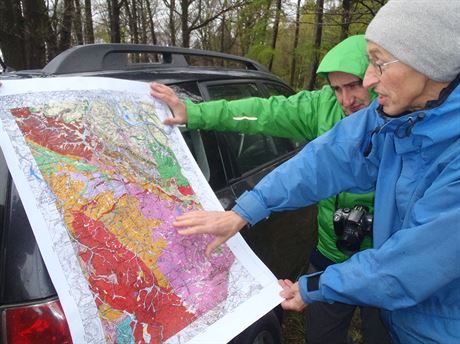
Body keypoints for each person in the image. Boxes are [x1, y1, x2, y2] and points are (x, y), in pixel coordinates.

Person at [167, 0, 460, 343]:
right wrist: (245, 211)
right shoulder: (396, 117)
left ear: (429, 62)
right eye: (367, 65)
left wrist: (313, 288)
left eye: (379, 63)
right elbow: (323, 159)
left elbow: (408, 269)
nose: (367, 82)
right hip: (397, 308)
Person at [151, 36, 391, 343]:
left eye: (354, 85)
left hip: (382, 260)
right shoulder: (320, 108)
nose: (346, 100)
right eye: (337, 89)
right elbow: (261, 113)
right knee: (321, 336)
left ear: (375, 74)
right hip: (330, 253)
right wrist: (196, 113)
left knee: (383, 334)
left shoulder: (399, 119)